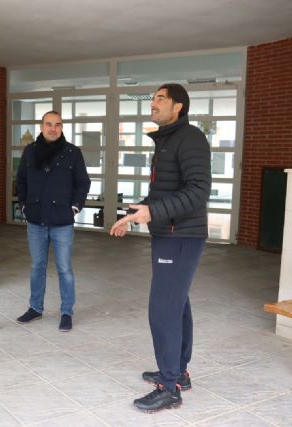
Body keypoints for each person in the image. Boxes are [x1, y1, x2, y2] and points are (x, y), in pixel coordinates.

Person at [110, 83, 211, 412]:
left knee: (163, 309)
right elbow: (163, 193)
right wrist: (134, 213)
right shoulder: (168, 139)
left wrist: (152, 212)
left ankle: (169, 387)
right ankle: (178, 373)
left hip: (181, 235)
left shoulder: (190, 138)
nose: (153, 103)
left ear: (178, 106)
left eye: (160, 99)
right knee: (177, 305)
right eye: (153, 98)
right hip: (169, 233)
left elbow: (198, 191)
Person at [16, 111, 91, 331]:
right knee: (37, 266)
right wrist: (24, 205)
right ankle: (35, 308)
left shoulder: (72, 153)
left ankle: (67, 312)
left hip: (62, 221)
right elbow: (21, 181)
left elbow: (83, 183)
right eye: (49, 124)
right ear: (41, 126)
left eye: (57, 125)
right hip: (36, 220)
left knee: (64, 268)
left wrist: (75, 207)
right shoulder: (30, 152)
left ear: (61, 127)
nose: (53, 128)